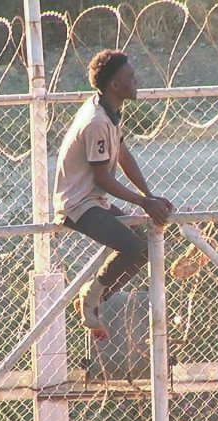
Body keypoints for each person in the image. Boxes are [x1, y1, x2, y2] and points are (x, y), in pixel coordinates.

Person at [54, 49, 175, 338]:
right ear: (114, 85)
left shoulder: (110, 111)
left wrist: (149, 195)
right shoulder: (96, 120)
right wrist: (143, 202)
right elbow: (102, 177)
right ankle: (92, 298)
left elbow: (122, 154)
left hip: (94, 200)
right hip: (77, 204)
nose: (136, 81)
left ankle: (94, 299)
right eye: (130, 77)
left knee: (144, 247)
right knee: (131, 248)